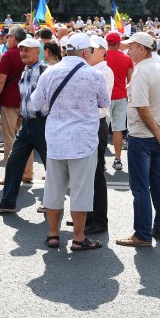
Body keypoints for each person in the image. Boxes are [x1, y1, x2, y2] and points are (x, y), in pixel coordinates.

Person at [31, 33, 110, 251]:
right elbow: (104, 102)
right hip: (83, 141)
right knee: (81, 191)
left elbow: (36, 102)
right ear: (86, 52)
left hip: (56, 139)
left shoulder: (49, 72)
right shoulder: (94, 75)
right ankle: (78, 237)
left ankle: (53, 235)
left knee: (53, 190)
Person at [116, 32, 160, 248]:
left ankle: (142, 234)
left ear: (142, 48)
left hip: (142, 135)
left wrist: (159, 130)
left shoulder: (141, 71)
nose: (128, 51)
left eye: (131, 47)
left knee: (140, 187)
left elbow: (141, 107)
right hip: (155, 134)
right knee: (157, 182)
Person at [0, 38, 49, 213]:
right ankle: (8, 202)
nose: (23, 53)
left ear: (37, 51)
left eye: (27, 50)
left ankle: (51, 203)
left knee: (50, 166)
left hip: (42, 124)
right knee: (14, 162)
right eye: (21, 50)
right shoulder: (25, 71)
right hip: (27, 123)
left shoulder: (46, 71)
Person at [83, 36, 114, 234]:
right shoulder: (93, 70)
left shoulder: (103, 71)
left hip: (97, 122)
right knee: (87, 174)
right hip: (90, 123)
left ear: (102, 51)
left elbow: (100, 102)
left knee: (96, 174)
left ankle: (99, 219)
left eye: (91, 50)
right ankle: (88, 217)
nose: (87, 54)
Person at [0, 26, 28, 165]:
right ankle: (27, 172)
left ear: (13, 38)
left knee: (9, 139)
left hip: (9, 102)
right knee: (24, 140)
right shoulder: (30, 53)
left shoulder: (9, 54)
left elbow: (1, 80)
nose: (6, 39)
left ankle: (10, 174)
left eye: (8, 36)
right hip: (25, 101)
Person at [105, 32, 133, 171]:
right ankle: (117, 159)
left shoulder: (102, 56)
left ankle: (101, 160)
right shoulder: (126, 58)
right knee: (118, 128)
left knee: (102, 128)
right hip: (121, 96)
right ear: (118, 43)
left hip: (104, 97)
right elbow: (130, 80)